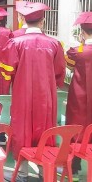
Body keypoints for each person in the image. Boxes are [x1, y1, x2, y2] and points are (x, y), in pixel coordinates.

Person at [1, 2, 66, 182]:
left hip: (23, 97)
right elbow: (59, 72)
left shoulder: (15, 43)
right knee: (45, 130)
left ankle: (21, 173)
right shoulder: (54, 44)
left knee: (21, 131)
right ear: (43, 22)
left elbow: (6, 71)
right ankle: (44, 172)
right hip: (47, 98)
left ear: (22, 20)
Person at [64, 12, 92, 181]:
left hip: (79, 96)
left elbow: (69, 64)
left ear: (82, 32)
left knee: (76, 128)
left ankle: (73, 169)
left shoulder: (77, 51)